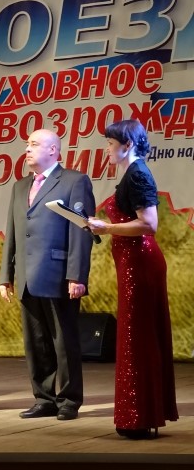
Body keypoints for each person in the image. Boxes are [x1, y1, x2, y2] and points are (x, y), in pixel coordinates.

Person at [86, 119, 178, 439]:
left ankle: (140, 416)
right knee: (134, 336)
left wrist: (107, 228)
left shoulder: (138, 173)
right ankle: (139, 414)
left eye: (111, 144)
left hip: (140, 263)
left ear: (128, 145)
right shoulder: (130, 172)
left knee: (138, 337)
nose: (106, 149)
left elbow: (149, 224)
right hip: (131, 263)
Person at [0, 129, 95, 421]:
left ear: (53, 150)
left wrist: (77, 275)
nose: (27, 149)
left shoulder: (74, 181)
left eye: (34, 144)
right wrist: (6, 275)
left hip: (58, 274)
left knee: (63, 341)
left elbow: (81, 230)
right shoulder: (20, 186)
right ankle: (44, 398)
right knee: (35, 341)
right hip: (27, 275)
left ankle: (69, 399)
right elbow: (12, 231)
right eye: (27, 144)